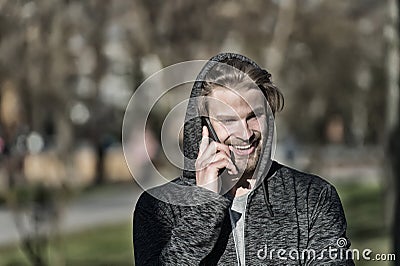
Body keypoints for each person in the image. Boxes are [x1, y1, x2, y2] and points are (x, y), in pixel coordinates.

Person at [133, 53, 354, 265]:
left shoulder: (312, 197)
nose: (245, 134)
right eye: (228, 120)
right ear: (203, 127)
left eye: (253, 116)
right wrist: (203, 207)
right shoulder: (158, 207)